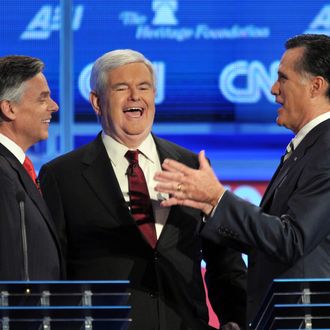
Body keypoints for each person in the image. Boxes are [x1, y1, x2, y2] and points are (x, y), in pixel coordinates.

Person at [39, 49, 247, 330]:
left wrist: (237, 319)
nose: (135, 96)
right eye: (122, 88)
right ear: (97, 102)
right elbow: (53, 272)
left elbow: (223, 258)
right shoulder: (62, 175)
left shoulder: (191, 164)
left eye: (144, 88)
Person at [154, 33, 330, 328]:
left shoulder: (326, 148)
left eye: (283, 79)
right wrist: (208, 208)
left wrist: (217, 198)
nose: (273, 89)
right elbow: (267, 240)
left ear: (316, 86)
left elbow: (292, 240)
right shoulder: (307, 148)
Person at [0, 55, 62, 280]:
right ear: (9, 108)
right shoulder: (2, 175)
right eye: (42, 99)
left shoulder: (13, 168)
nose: (54, 106)